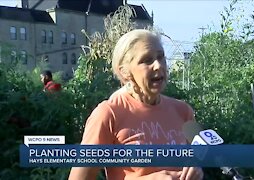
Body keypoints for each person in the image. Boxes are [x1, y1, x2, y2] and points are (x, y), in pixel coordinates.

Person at [69, 29, 203, 180]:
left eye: (161, 57)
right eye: (147, 60)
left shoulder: (183, 111)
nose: (158, 65)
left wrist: (196, 169)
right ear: (125, 72)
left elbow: (195, 160)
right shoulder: (108, 114)